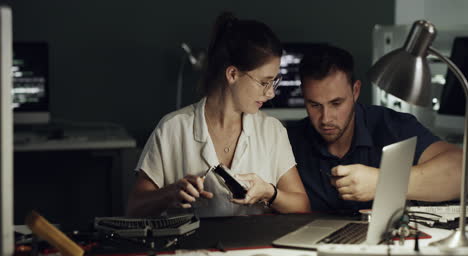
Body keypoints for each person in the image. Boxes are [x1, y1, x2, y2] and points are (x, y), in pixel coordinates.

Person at [127, 12, 310, 217]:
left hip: (255, 246)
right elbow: (134, 208)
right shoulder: (172, 128)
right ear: (232, 74)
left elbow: (301, 205)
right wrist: (170, 194)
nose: (271, 92)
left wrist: (270, 192)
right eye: (264, 82)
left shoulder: (272, 131)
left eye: (274, 82)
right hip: (189, 248)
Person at [287, 43, 462, 213]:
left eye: (336, 103)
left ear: (355, 91)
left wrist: (383, 182)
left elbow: (461, 170)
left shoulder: (391, 125)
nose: (326, 118)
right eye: (314, 105)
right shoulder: (289, 141)